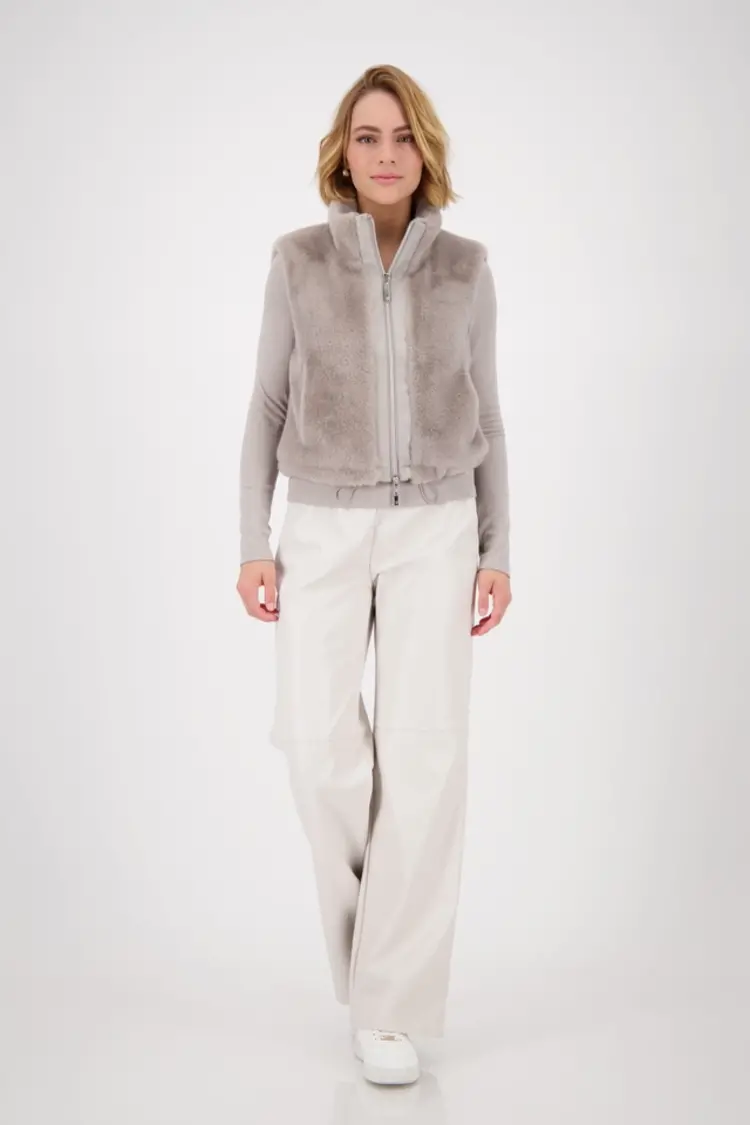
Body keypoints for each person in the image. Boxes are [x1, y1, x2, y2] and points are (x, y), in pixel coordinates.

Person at [236, 63, 512, 1085]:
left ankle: (386, 1004)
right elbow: (267, 405)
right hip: (321, 526)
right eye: (366, 137)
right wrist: (253, 538)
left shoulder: (467, 270)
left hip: (437, 526)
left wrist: (496, 548)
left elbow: (490, 414)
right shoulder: (298, 260)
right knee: (316, 747)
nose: (385, 154)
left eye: (401, 136)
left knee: (425, 757)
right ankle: (378, 966)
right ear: (342, 155)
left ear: (424, 150)